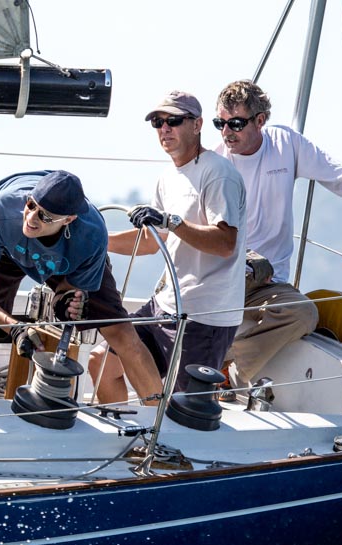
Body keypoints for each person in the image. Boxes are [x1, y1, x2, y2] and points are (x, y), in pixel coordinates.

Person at [213, 79, 342, 389]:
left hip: (268, 282)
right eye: (220, 123)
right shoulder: (215, 165)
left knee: (303, 314)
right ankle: (209, 364)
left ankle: (225, 373)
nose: (226, 132)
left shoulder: (285, 145)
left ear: (260, 121)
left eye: (235, 123)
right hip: (223, 274)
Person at [90, 91, 247, 400]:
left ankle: (162, 440)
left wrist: (172, 221)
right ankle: (136, 437)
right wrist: (98, 242)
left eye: (173, 121)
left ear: (198, 124)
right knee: (102, 362)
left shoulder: (219, 174)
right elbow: (152, 242)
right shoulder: (167, 177)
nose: (164, 129)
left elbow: (226, 243)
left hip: (204, 316)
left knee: (186, 409)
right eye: (158, 123)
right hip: (165, 305)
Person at [0, 170, 163, 404]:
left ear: (69, 219)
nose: (32, 218)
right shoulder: (2, 210)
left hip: (68, 257)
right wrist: (14, 328)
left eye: (45, 216)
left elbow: (68, 289)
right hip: (8, 247)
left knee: (122, 333)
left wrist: (65, 302)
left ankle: (158, 426)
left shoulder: (92, 236)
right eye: (31, 205)